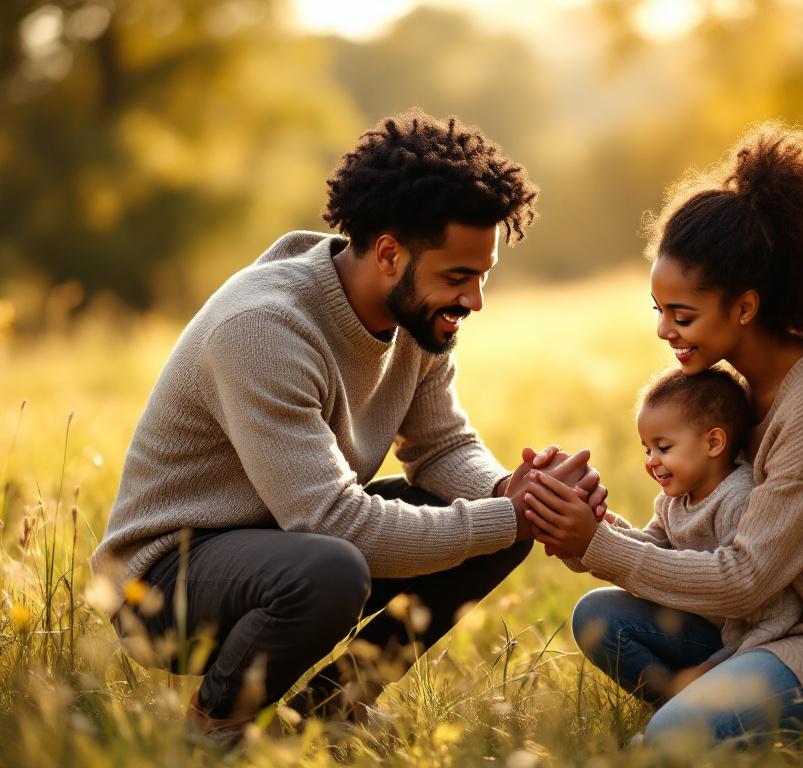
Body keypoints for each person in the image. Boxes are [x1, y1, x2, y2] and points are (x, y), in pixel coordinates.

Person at [90, 109, 606, 738]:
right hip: (166, 581)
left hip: (288, 540)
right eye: (458, 277)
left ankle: (326, 717)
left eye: (483, 276)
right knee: (337, 567)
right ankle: (215, 729)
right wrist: (507, 515)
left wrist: (517, 494)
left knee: (496, 527)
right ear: (389, 254)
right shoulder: (264, 329)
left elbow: (440, 447)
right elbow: (330, 522)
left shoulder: (417, 317)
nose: (474, 300)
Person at [523, 124, 803, 745]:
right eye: (660, 311)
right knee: (601, 618)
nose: (665, 331)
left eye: (682, 315)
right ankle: (707, 708)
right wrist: (585, 529)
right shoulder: (733, 395)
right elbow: (699, 548)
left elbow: (744, 579)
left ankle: (701, 722)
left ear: (743, 308)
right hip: (758, 627)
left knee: (667, 743)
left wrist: (600, 546)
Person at [555, 366, 803, 705]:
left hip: (747, 649)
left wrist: (716, 667)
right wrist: (594, 533)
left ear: (713, 442)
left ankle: (691, 709)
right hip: (697, 633)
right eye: (647, 450)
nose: (651, 461)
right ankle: (670, 705)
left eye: (663, 447)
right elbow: (652, 551)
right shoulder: (673, 501)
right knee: (594, 613)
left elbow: (774, 614)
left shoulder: (738, 501)